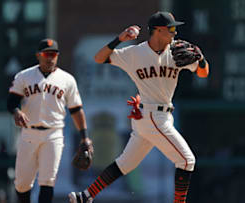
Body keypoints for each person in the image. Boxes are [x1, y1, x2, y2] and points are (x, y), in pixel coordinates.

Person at [68, 11, 209, 203]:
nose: (175, 33)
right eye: (171, 29)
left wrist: (200, 59)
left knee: (125, 164)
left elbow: (203, 73)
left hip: (159, 116)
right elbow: (99, 58)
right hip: (152, 115)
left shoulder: (176, 51)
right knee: (186, 160)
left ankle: (85, 196)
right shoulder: (135, 53)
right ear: (158, 31)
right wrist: (120, 39)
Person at [7, 38, 92, 203]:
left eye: (53, 54)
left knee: (48, 180)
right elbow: (11, 102)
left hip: (54, 134)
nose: (50, 58)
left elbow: (76, 110)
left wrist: (84, 137)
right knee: (22, 184)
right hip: (28, 133)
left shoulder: (67, 80)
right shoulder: (24, 76)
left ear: (57, 56)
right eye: (47, 54)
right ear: (38, 55)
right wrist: (16, 111)